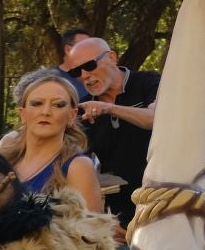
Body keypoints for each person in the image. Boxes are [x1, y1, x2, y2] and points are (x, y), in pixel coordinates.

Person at [59, 35, 158, 227]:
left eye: (89, 65)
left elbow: (157, 119)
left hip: (161, 206)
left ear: (112, 58)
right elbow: (73, 167)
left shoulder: (148, 82)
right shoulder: (84, 111)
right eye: (76, 72)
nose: (84, 75)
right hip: (118, 221)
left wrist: (109, 108)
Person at [0, 68, 105, 214]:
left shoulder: (78, 166)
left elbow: (93, 233)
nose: (46, 112)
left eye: (58, 105)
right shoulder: (4, 158)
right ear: (22, 114)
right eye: (37, 103)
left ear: (72, 116)